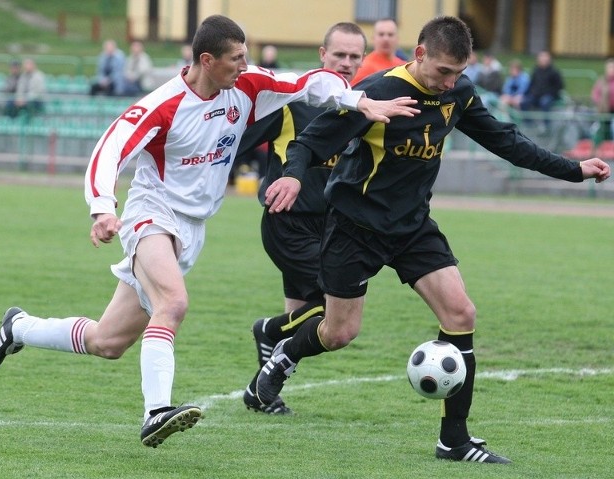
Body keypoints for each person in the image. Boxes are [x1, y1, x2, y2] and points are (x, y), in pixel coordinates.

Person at [0, 14, 418, 448]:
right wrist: (102, 208)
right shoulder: (163, 105)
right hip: (152, 214)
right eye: (236, 59)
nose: (245, 66)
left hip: (192, 227)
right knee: (173, 303)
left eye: (246, 57)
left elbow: (307, 83)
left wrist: (359, 101)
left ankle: (19, 327)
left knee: (107, 341)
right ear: (207, 60)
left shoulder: (246, 87)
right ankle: (155, 413)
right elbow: (110, 148)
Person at [258, 15, 610, 465]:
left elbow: (504, 141)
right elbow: (310, 141)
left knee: (461, 312)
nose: (450, 82)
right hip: (354, 226)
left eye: (459, 73)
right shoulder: (379, 91)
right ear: (419, 54)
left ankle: (454, 441)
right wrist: (290, 177)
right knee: (340, 331)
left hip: (411, 227)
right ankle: (287, 351)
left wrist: (571, 169)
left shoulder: (457, 93)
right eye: (443, 71)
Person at [236, 21, 369, 415]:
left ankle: (265, 394)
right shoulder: (291, 103)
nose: (345, 63)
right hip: (288, 222)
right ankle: (268, 332)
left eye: (353, 57)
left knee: (303, 316)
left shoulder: (363, 106)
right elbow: (236, 141)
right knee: (332, 313)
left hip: (331, 226)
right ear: (322, 56)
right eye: (339, 55)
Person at [350, 18, 405, 85]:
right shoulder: (363, 67)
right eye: (381, 34)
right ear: (373, 38)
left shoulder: (403, 66)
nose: (386, 39)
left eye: (390, 34)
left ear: (397, 39)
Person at [520, 50, 564, 130]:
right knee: (524, 102)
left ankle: (546, 126)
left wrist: (550, 94)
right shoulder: (536, 70)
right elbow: (531, 84)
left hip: (549, 95)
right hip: (536, 95)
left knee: (544, 102)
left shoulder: (554, 72)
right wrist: (525, 94)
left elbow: (559, 86)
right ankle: (528, 123)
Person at [591, 58, 614, 141]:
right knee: (598, 129)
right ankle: (597, 149)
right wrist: (598, 102)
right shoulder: (602, 81)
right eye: (610, 67)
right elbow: (595, 94)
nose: (611, 70)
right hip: (604, 111)